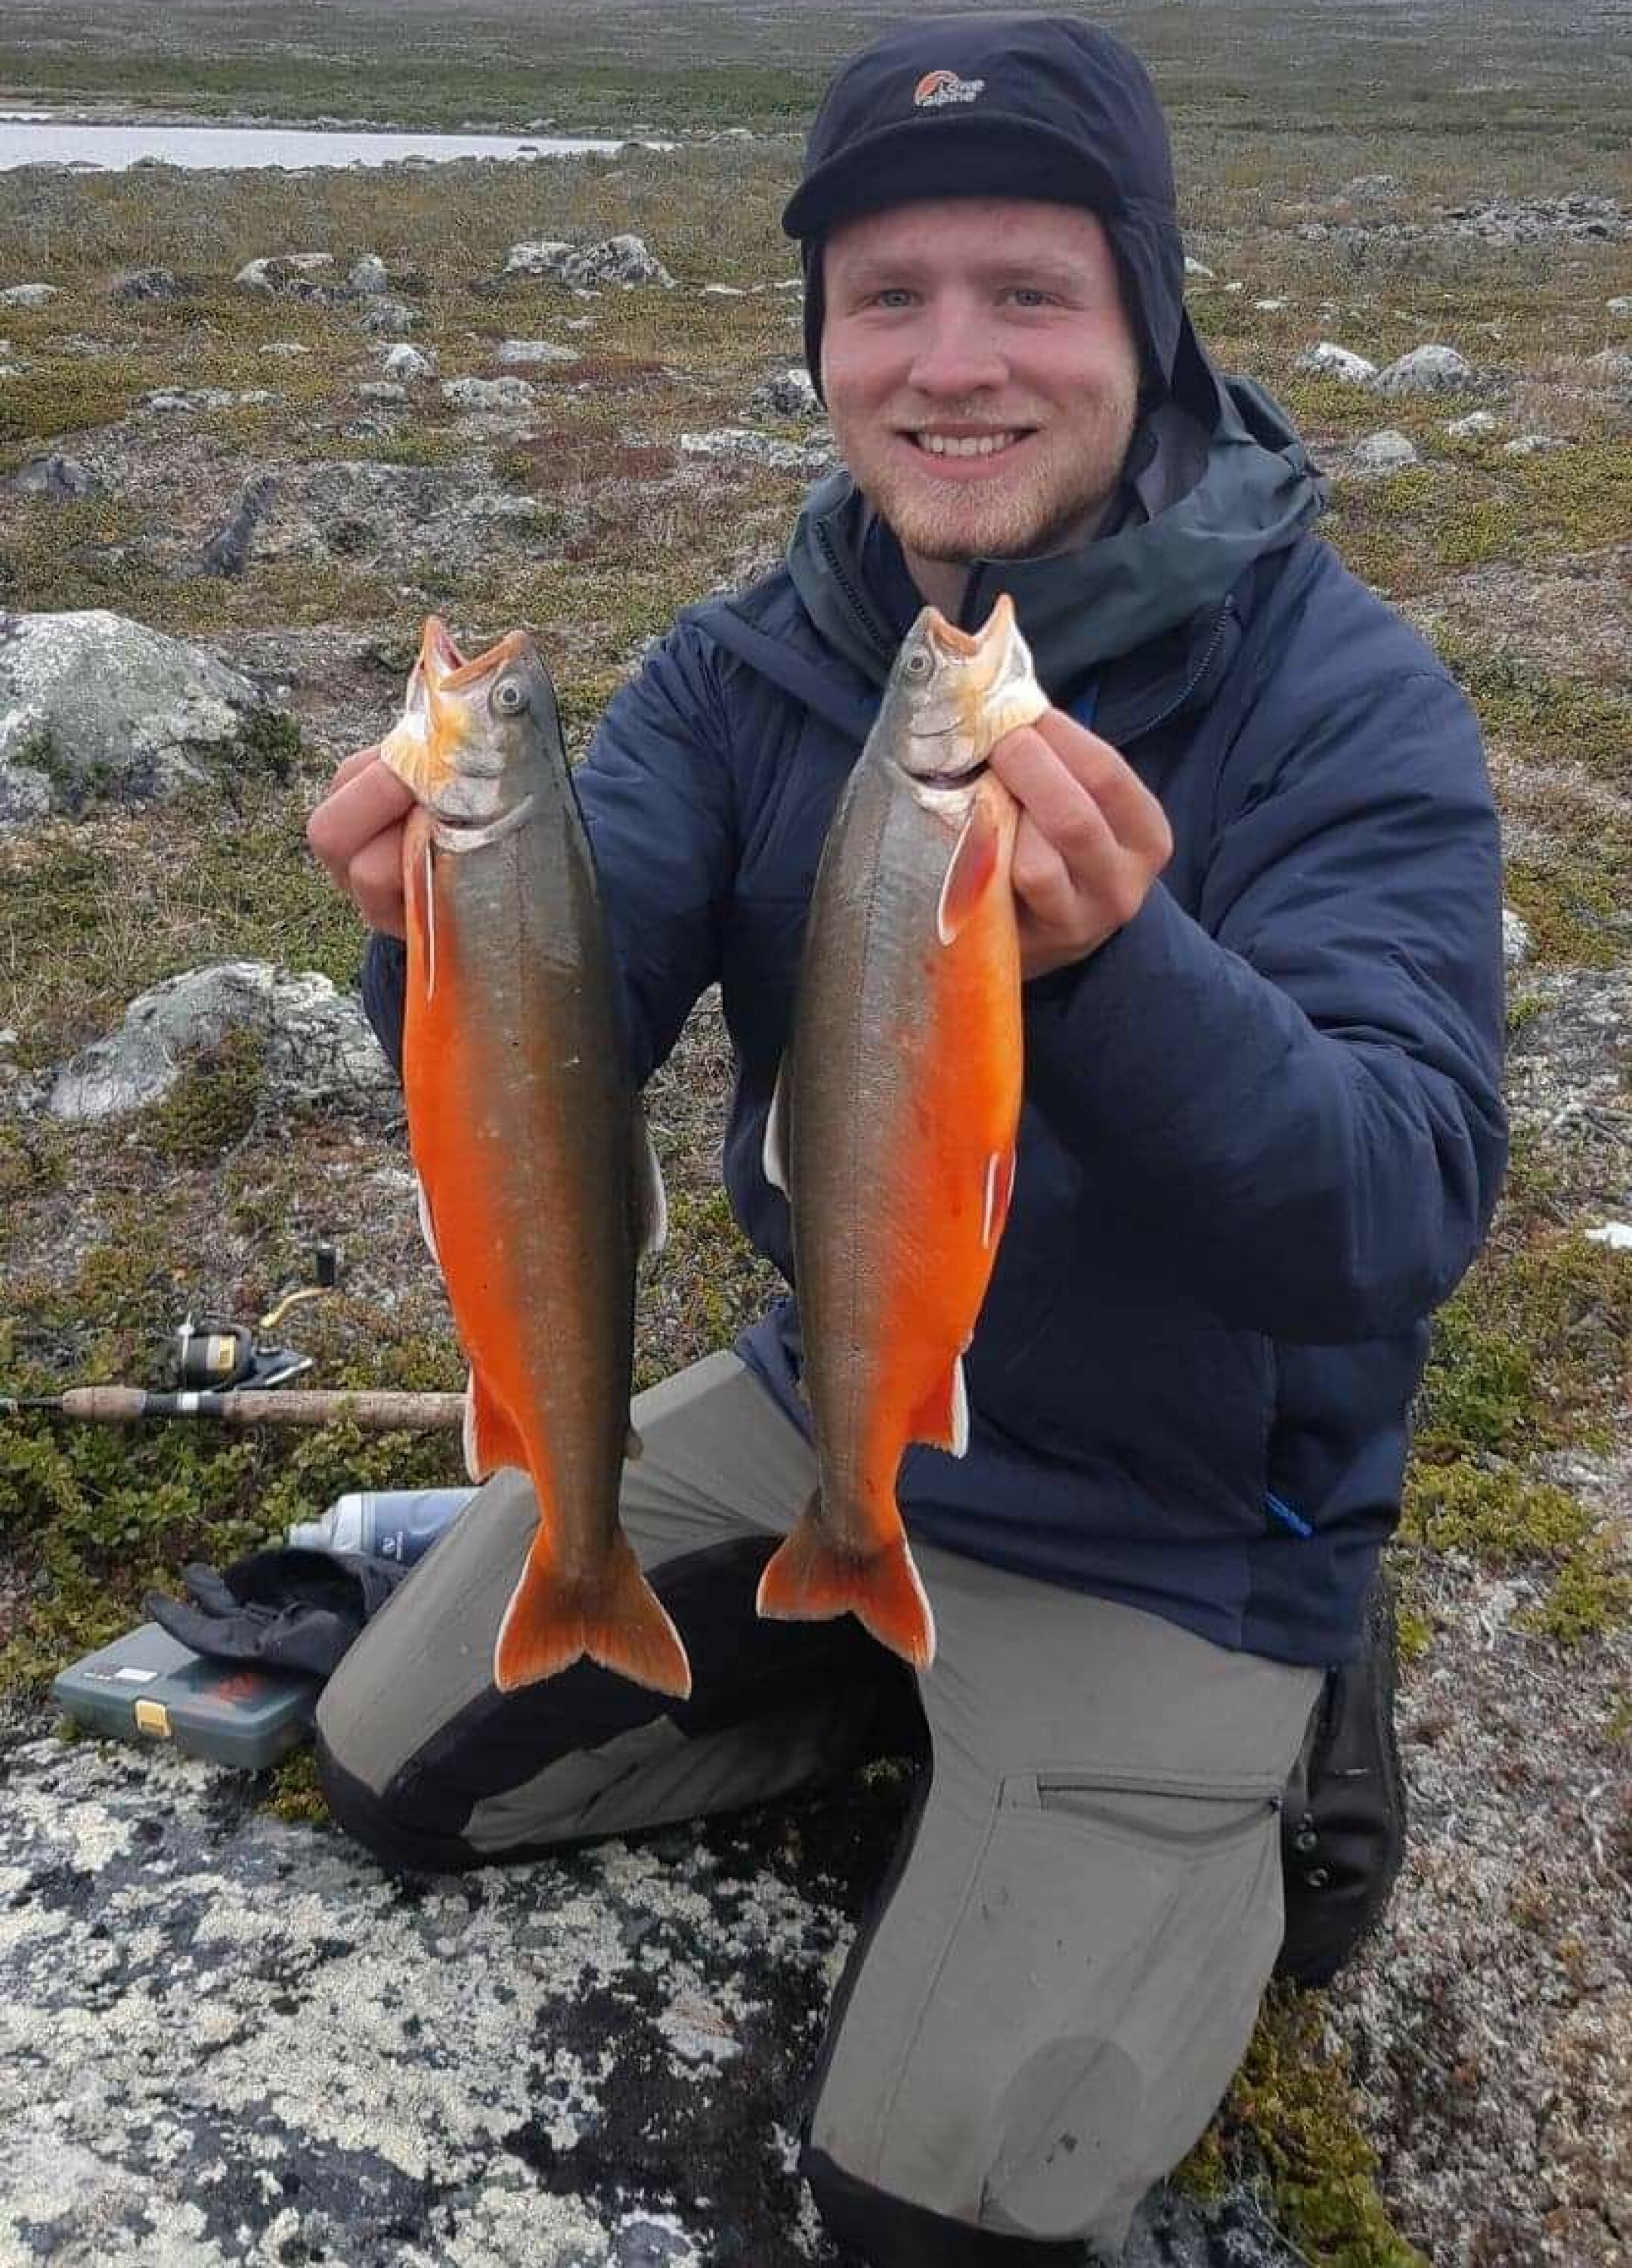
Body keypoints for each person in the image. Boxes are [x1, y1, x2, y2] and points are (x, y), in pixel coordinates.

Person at [304, 15, 1507, 2261]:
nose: (952, 365)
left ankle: (1271, 1758)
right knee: (389, 1766)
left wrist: (1122, 968)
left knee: (932, 2202)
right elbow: (572, 1017)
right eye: (888, 301)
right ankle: (864, 1635)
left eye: (1029, 293)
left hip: (1174, 1518)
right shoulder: (760, 664)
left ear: (1146, 319)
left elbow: (1396, 1206)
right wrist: (434, 933)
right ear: (828, 346)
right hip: (840, 1394)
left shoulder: (1346, 703)